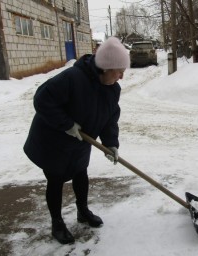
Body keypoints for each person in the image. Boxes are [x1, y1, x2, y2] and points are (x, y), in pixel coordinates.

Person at [23, 37, 129, 244]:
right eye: (119, 71)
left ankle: (83, 211)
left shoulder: (112, 88)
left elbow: (109, 118)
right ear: (105, 68)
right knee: (55, 179)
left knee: (81, 173)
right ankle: (57, 223)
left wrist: (111, 143)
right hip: (54, 140)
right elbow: (42, 100)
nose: (122, 76)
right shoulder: (72, 78)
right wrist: (66, 124)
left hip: (80, 141)